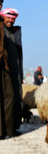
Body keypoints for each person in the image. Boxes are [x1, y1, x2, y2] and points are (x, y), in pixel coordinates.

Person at [0, 8, 23, 139]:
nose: (11, 20)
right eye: (8, 17)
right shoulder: (1, 30)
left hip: (14, 71)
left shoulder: (15, 32)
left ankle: (11, 129)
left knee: (14, 99)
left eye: (13, 18)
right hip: (4, 69)